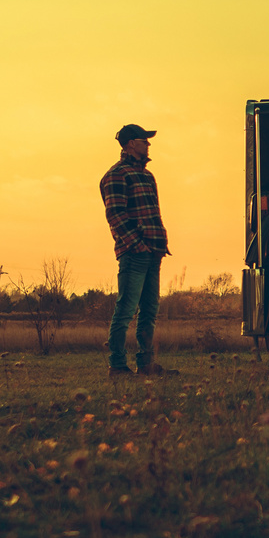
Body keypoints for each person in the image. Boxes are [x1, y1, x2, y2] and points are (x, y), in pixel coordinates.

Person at [100, 123, 169, 374]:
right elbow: (115, 215)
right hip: (135, 253)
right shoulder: (116, 175)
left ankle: (146, 363)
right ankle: (117, 365)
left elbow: (154, 213)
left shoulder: (147, 176)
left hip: (154, 250)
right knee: (126, 310)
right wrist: (136, 245)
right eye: (144, 140)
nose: (148, 144)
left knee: (149, 310)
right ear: (131, 144)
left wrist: (158, 246)